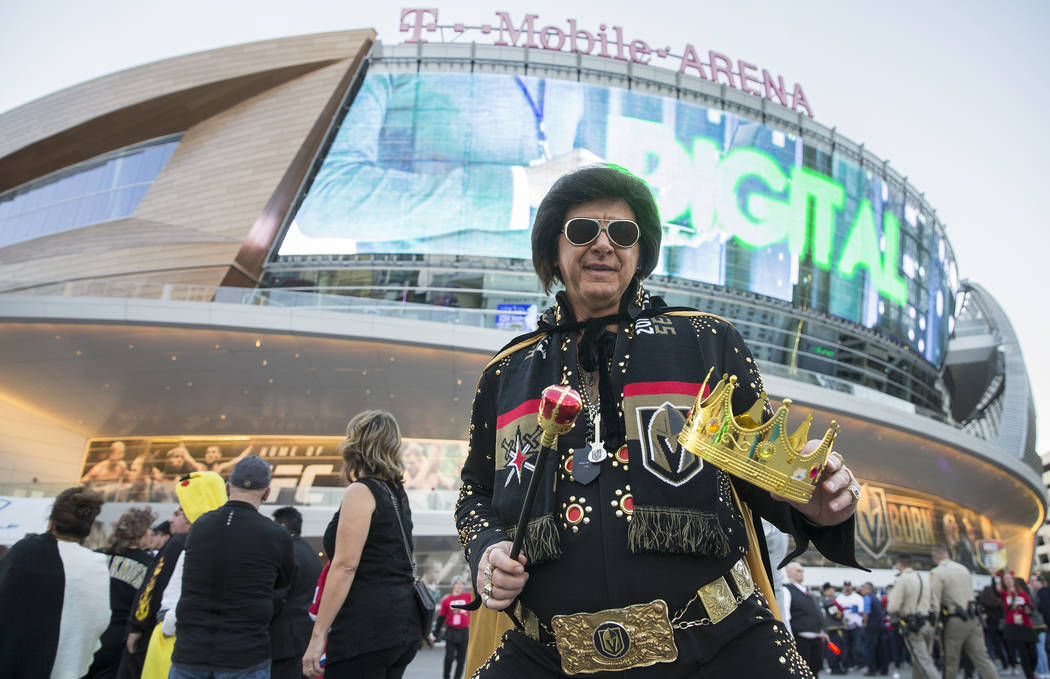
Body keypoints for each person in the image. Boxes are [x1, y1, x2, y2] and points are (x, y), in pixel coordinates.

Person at [454, 165, 863, 678]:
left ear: (639, 252)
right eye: (583, 230)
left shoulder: (708, 339)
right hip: (548, 657)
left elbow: (762, 474)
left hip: (725, 647)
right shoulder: (505, 371)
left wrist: (814, 506)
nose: (603, 245)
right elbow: (473, 494)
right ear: (553, 250)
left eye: (622, 233)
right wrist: (487, 549)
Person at [302, 410, 423, 678]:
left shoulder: (361, 491)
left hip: (365, 628)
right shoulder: (395, 493)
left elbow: (345, 566)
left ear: (356, 445)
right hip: (401, 625)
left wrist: (318, 634)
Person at [168, 457, 295, 678]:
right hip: (245, 655)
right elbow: (284, 582)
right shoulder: (276, 535)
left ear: (228, 487)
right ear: (267, 493)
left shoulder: (200, 526)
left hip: (190, 652)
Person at [0, 486, 110, 678]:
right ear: (90, 528)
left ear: (51, 522)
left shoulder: (24, 552)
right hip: (68, 669)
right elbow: (99, 621)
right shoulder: (97, 565)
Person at [117, 506, 191, 679]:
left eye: (178, 514)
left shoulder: (179, 542)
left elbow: (153, 584)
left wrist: (136, 625)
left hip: (158, 631)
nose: (171, 520)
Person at [87, 506, 157, 679]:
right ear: (142, 532)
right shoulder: (150, 565)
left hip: (88, 630)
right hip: (120, 637)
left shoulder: (94, 556)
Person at [930, 542, 1000, 679]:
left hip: (955, 620)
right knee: (982, 658)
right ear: (947, 554)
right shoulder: (963, 568)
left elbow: (934, 600)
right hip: (973, 617)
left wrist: (935, 624)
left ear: (934, 557)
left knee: (951, 660)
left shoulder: (937, 572)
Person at [271, 506, 324, 679]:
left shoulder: (284, 552)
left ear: (282, 525)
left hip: (281, 638)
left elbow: (278, 594)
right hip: (305, 634)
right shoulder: (312, 553)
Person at [885, 553, 938, 679]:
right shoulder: (924, 578)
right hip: (927, 622)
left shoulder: (902, 579)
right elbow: (935, 604)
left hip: (913, 624)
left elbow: (893, 607)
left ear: (900, 564)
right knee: (921, 660)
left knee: (923, 661)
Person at [779, 562, 828, 677]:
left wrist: (822, 631)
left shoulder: (808, 592)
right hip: (800, 638)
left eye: (801, 570)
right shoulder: (787, 590)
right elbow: (786, 614)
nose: (801, 573)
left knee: (816, 669)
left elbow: (817, 612)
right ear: (789, 573)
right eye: (798, 570)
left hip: (816, 637)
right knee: (802, 671)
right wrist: (789, 637)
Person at [434, 576, 473, 679]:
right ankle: (446, 677)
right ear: (453, 585)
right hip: (451, 632)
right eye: (457, 583)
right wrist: (436, 633)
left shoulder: (468, 597)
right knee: (449, 658)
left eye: (461, 584)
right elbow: (441, 617)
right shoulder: (447, 600)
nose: (460, 586)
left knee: (461, 660)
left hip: (463, 632)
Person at [1002, 571, 1038, 679]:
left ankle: (1031, 672)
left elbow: (1030, 608)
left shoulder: (1023, 594)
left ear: (1014, 580)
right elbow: (995, 591)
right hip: (1013, 627)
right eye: (1006, 579)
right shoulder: (1004, 594)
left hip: (1026, 625)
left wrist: (1028, 610)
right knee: (1023, 655)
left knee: (1034, 654)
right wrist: (994, 576)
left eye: (1010, 578)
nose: (1008, 580)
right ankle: (1029, 676)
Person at [859, 582, 889, 676]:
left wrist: (865, 624)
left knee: (870, 648)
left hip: (872, 625)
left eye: (863, 589)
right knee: (881, 648)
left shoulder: (867, 598)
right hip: (880, 625)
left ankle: (872, 669)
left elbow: (866, 612)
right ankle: (884, 669)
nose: (862, 591)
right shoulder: (876, 598)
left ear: (868, 589)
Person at [836, 580, 866, 670]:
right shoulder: (839, 597)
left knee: (857, 645)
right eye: (846, 586)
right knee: (845, 646)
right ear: (843, 587)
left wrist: (857, 613)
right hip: (844, 625)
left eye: (849, 586)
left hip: (856, 625)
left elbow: (862, 611)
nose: (847, 587)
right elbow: (836, 611)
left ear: (851, 587)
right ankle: (847, 664)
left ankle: (859, 663)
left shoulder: (857, 597)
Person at [819, 583, 847, 675]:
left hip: (827, 628)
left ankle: (834, 667)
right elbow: (836, 615)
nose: (833, 591)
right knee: (835, 649)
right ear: (828, 591)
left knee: (831, 648)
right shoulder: (829, 601)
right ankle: (835, 668)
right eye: (832, 589)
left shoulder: (821, 600)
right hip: (834, 628)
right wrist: (841, 613)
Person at [1029, 575, 1050, 679]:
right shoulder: (1041, 593)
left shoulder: (1042, 593)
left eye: (1033, 581)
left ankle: (1043, 672)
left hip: (1043, 625)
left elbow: (1045, 611)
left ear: (1040, 582)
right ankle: (1045, 672)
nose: (1032, 583)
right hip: (1043, 625)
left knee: (1041, 649)